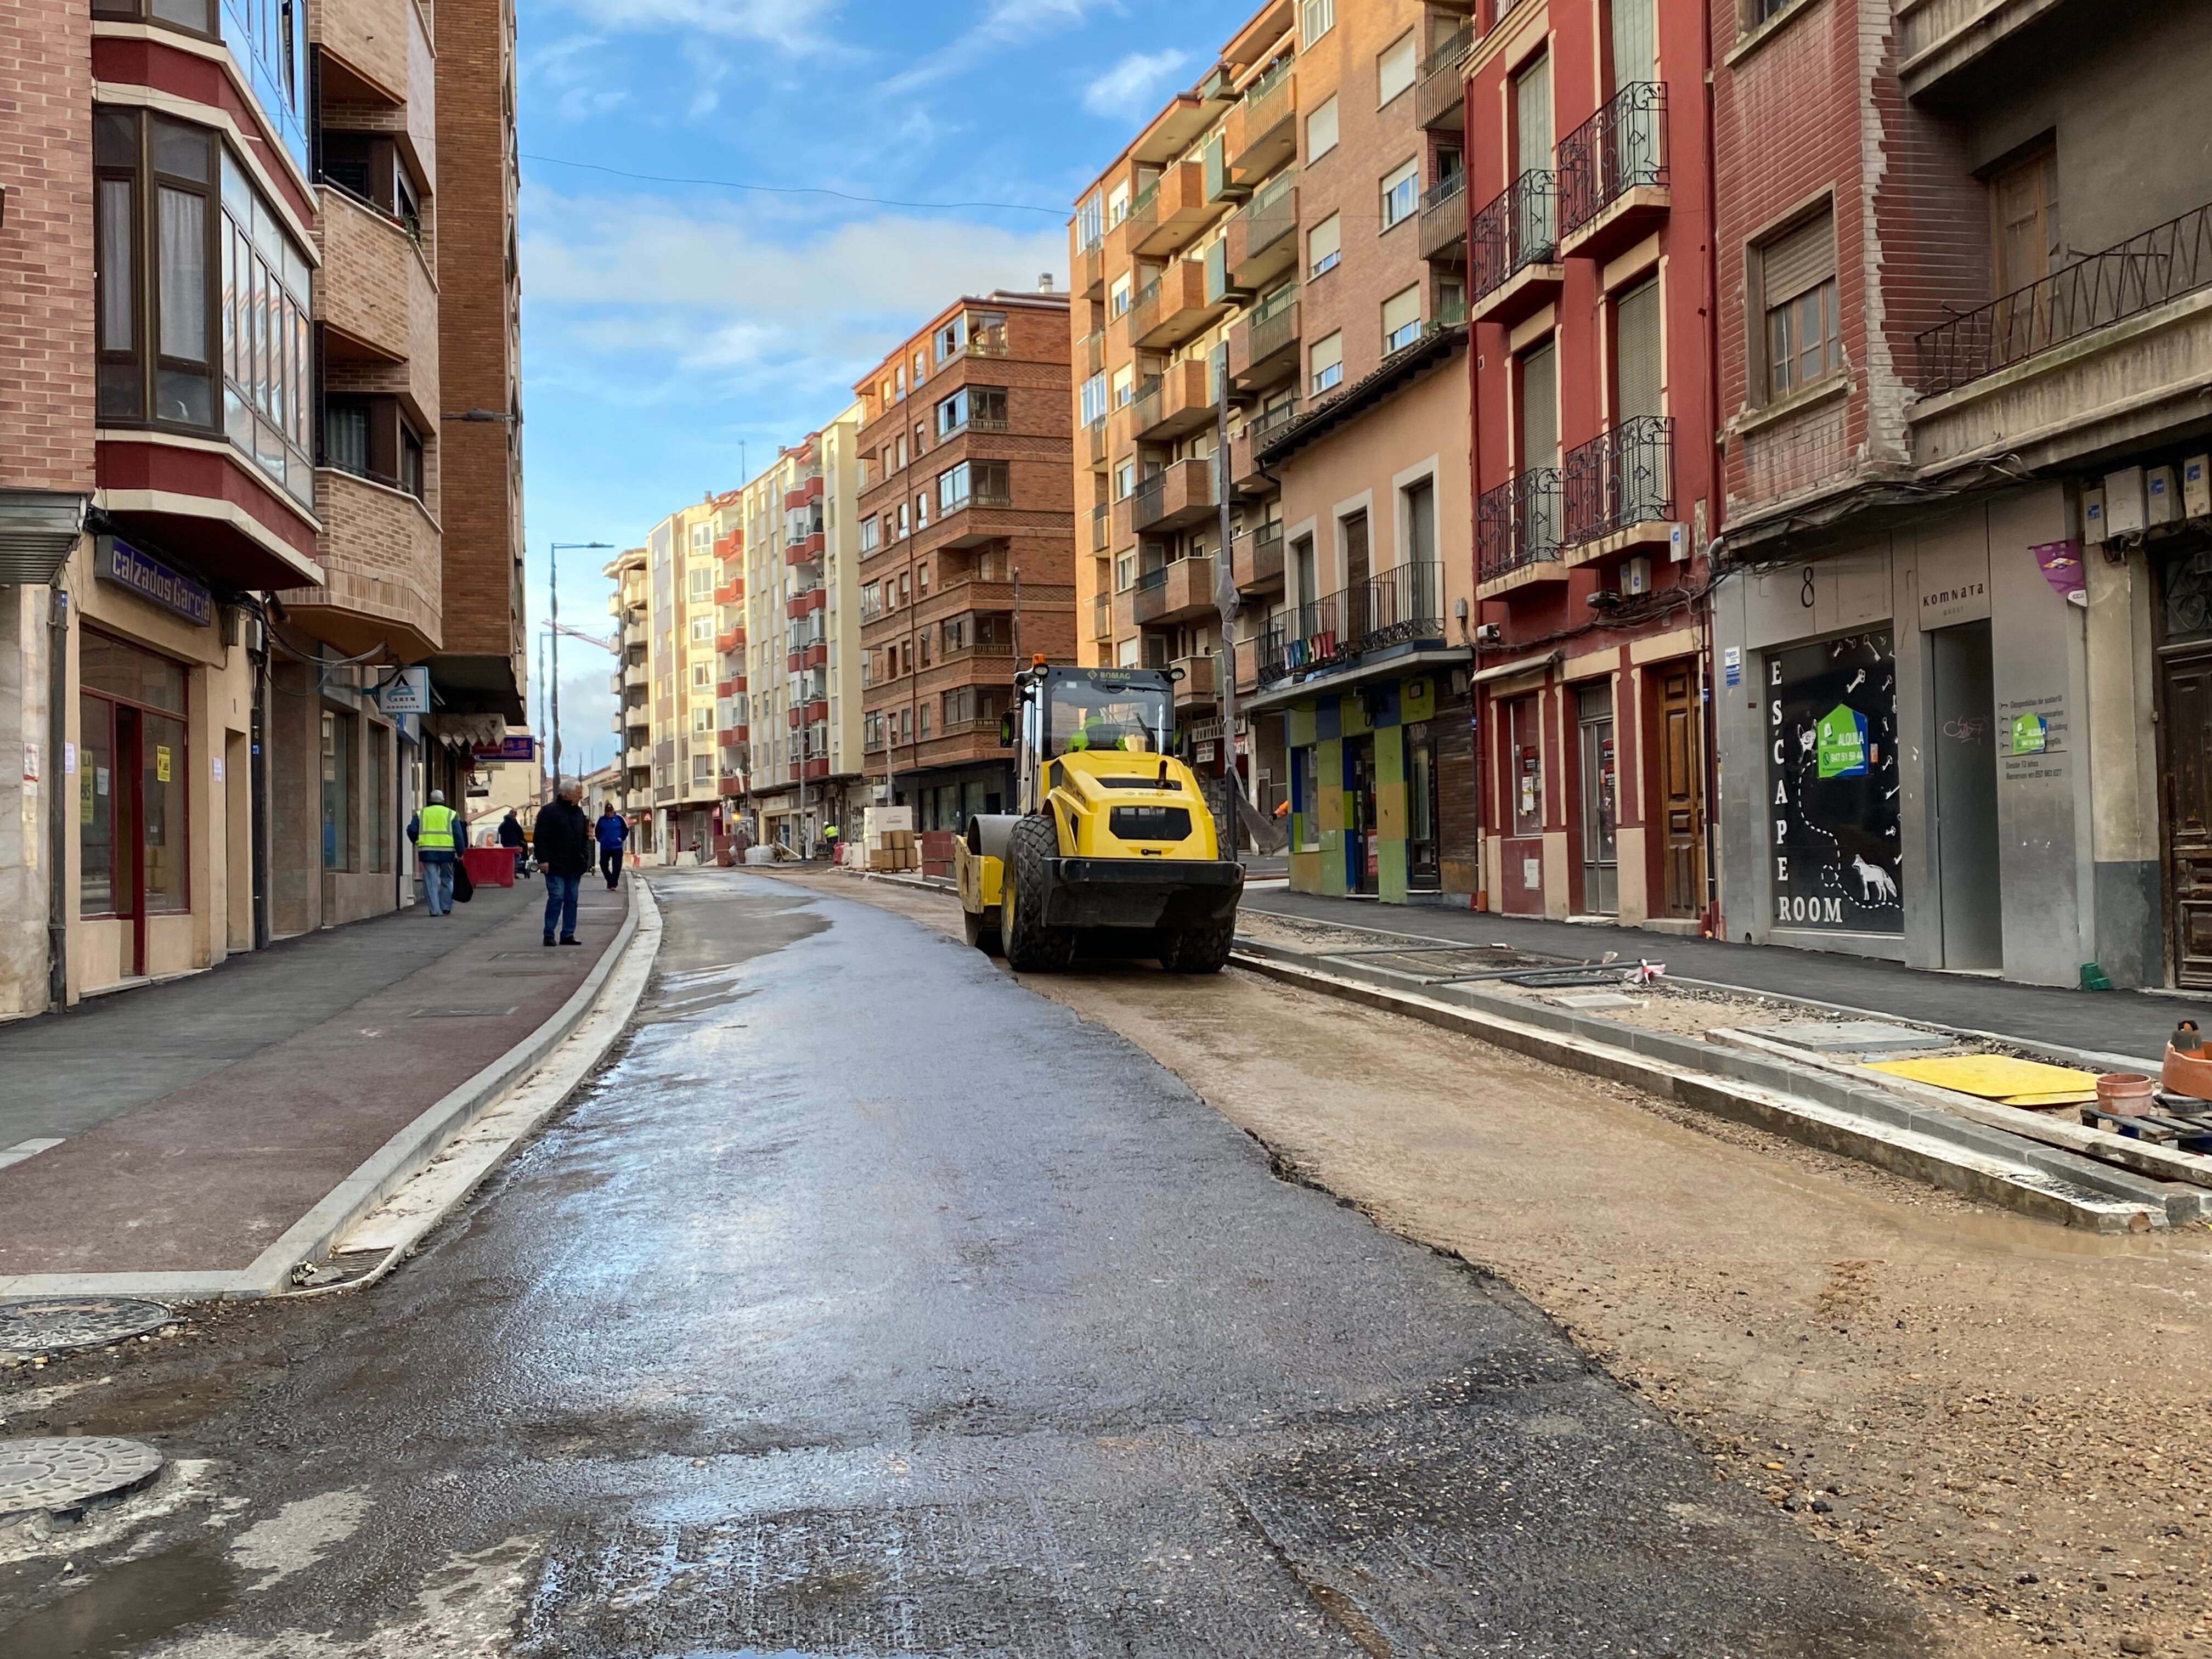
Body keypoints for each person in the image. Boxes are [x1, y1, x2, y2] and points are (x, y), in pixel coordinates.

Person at [532, 783, 593, 946]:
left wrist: (585, 860)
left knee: (572, 899)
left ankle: (568, 934)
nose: (580, 796)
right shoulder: (549, 812)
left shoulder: (579, 812)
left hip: (574, 865)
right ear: (566, 794)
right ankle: (549, 933)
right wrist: (543, 860)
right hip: (554, 864)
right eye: (578, 793)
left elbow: (583, 838)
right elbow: (540, 838)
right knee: (557, 896)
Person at [407, 791, 461, 916]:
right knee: (447, 880)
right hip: (447, 852)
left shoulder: (421, 814)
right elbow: (458, 835)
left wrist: (416, 840)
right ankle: (446, 907)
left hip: (428, 851)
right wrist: (460, 851)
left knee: (431, 881)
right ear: (443, 800)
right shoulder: (451, 814)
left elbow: (412, 829)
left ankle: (435, 910)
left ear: (430, 800)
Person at [595, 804, 628, 889]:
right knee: (603, 865)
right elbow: (597, 831)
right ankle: (611, 881)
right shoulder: (602, 820)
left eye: (610, 811)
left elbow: (626, 829)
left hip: (617, 847)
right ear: (605, 812)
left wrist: (622, 838)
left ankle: (613, 884)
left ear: (613, 811)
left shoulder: (619, 819)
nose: (609, 813)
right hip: (605, 847)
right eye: (607, 812)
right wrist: (600, 839)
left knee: (617, 867)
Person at [498, 808, 528, 879]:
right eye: (516, 814)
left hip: (505, 843)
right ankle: (513, 870)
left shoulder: (504, 823)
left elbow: (500, 830)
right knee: (517, 856)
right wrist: (522, 840)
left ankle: (510, 871)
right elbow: (520, 832)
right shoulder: (514, 822)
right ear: (514, 814)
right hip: (514, 843)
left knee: (508, 857)